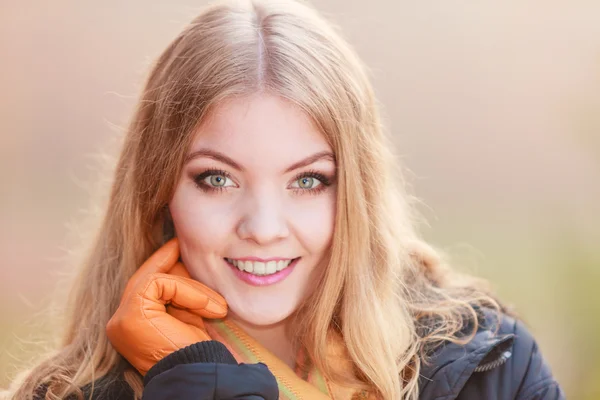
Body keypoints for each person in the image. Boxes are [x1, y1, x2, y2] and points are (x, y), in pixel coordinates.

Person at [6, 0, 564, 399]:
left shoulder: (493, 368)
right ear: (157, 190)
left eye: (307, 181)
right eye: (217, 179)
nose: (265, 227)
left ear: (356, 194)